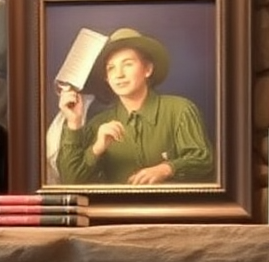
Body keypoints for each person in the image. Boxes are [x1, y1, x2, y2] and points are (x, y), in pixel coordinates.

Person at [55, 28, 214, 186]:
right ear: (106, 78)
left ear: (148, 69)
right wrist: (80, 130)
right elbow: (71, 181)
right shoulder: (98, 124)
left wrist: (166, 169)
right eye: (111, 68)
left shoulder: (180, 110)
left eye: (128, 64)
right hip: (116, 210)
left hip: (173, 209)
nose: (119, 74)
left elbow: (204, 160)